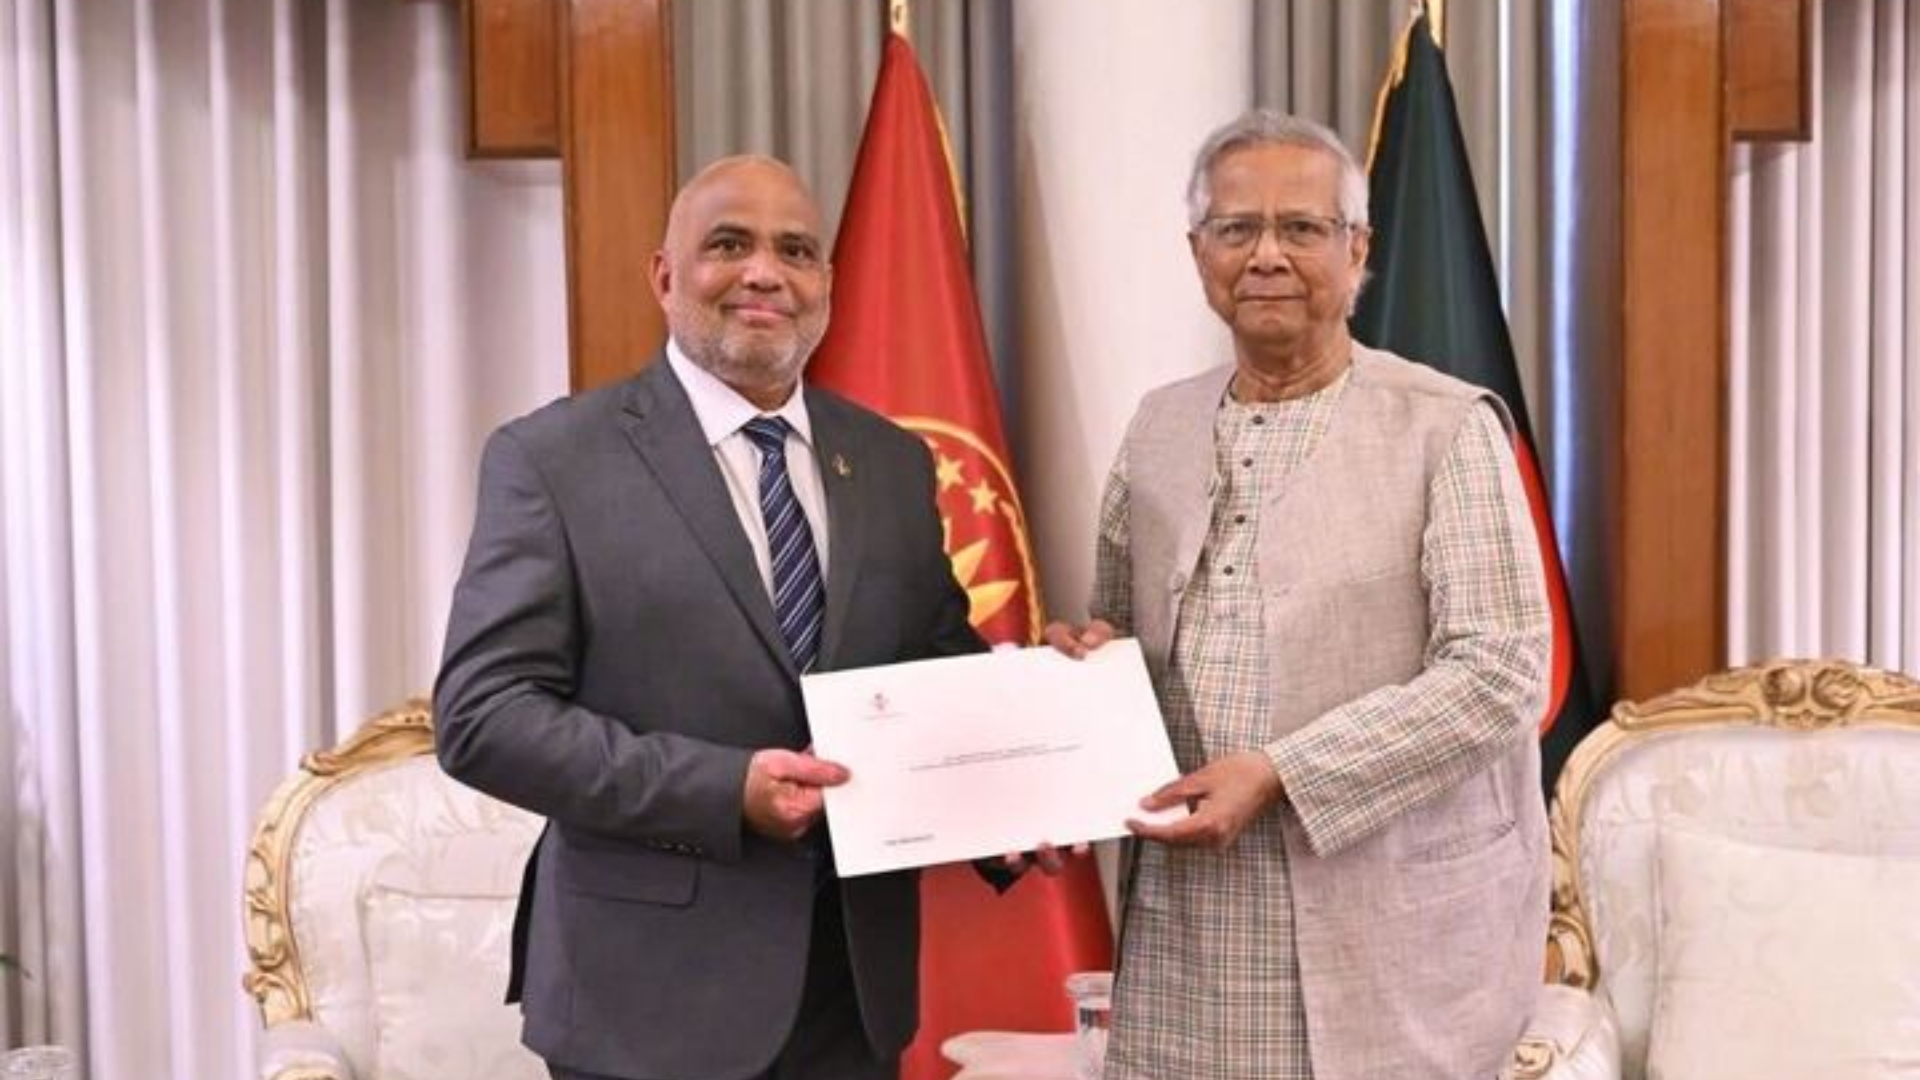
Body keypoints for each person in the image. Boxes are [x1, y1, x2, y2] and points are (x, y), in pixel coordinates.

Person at [434, 155, 984, 1080]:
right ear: (664, 276)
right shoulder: (554, 460)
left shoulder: (890, 460)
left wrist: (1048, 716)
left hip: (851, 999)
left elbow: (934, 667)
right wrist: (725, 789)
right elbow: (483, 718)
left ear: (826, 283)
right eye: (729, 245)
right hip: (644, 1008)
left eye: (795, 251)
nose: (764, 272)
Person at [1043, 110, 1553, 1079]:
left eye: (1302, 228)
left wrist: (1281, 771)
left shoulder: (1445, 427)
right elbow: (1121, 631)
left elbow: (1500, 674)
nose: (1267, 254)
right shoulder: (1158, 425)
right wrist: (1086, 669)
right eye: (1237, 229)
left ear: (1357, 250)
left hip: (1387, 932)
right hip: (1189, 923)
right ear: (1199, 255)